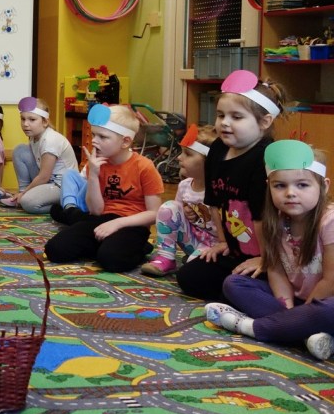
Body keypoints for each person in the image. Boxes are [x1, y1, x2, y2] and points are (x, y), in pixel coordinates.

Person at [205, 140, 334, 360]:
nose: (290, 193)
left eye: (302, 185)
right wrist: (293, 313)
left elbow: (331, 281)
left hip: (325, 300)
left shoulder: (329, 221)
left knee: (328, 310)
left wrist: (303, 314)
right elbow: (276, 270)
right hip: (299, 302)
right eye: (280, 186)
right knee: (234, 283)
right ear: (269, 186)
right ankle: (304, 332)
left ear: (324, 186)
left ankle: (250, 326)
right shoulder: (275, 221)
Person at [176, 70, 285, 301]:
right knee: (189, 277)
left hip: (271, 253)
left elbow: (263, 218)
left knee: (238, 286)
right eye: (220, 115)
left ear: (264, 122)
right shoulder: (217, 149)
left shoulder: (264, 158)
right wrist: (223, 241)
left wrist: (265, 259)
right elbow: (214, 201)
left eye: (236, 117)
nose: (224, 123)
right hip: (236, 250)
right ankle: (240, 293)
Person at [44, 104, 164, 272]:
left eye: (102, 137)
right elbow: (96, 211)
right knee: (55, 250)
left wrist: (117, 224)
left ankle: (140, 248)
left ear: (125, 141)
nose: (94, 141)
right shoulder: (98, 164)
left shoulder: (144, 166)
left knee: (111, 260)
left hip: (132, 224)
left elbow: (154, 214)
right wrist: (93, 175)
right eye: (94, 135)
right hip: (102, 219)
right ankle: (109, 247)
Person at [141, 124, 220, 276]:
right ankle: (166, 257)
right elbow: (177, 214)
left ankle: (194, 259)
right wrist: (186, 212)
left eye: (188, 154)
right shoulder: (185, 185)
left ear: (209, 161)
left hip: (216, 246)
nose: (179, 157)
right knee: (169, 207)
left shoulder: (219, 190)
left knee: (193, 271)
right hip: (193, 240)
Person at [0, 96, 78, 213]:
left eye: (32, 120)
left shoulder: (50, 140)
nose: (25, 124)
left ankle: (65, 204)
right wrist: (24, 191)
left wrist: (25, 193)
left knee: (28, 203)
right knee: (20, 151)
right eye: (23, 119)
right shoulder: (34, 137)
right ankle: (22, 195)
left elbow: (44, 176)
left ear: (45, 122)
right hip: (48, 181)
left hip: (62, 186)